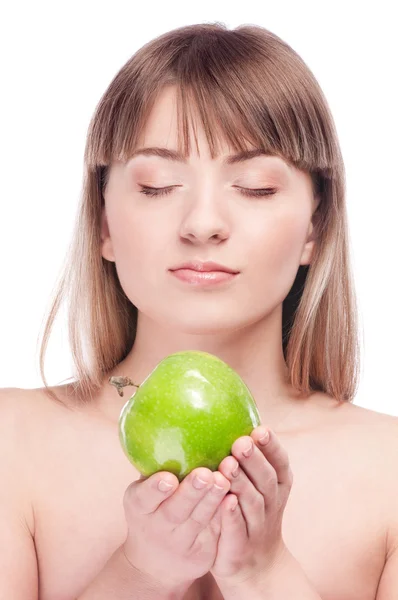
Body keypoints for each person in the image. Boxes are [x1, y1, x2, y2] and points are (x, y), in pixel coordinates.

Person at [1, 21, 397, 600]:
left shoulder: (389, 471)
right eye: (158, 186)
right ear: (104, 222)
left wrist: (263, 574)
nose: (203, 224)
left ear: (315, 225)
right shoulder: (12, 443)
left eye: (256, 187)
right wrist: (140, 573)